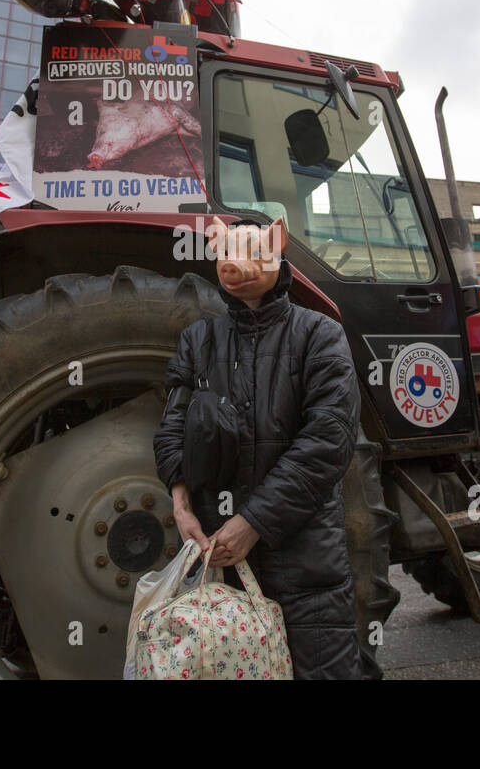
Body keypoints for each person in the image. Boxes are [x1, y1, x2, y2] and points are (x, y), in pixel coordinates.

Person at [153, 217, 363, 679]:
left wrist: (254, 522)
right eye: (229, 254)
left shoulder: (319, 335)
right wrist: (182, 504)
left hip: (307, 561)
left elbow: (329, 439)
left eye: (254, 253)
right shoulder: (197, 341)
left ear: (279, 253)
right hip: (217, 550)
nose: (239, 266)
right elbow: (172, 424)